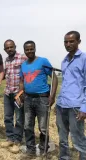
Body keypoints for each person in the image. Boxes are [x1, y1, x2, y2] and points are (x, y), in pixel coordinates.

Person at [19, 40, 58, 158]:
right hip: (28, 99)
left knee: (43, 128)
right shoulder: (23, 64)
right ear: (24, 50)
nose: (29, 51)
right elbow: (22, 80)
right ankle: (30, 151)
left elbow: (54, 77)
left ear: (35, 49)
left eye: (31, 49)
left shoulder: (43, 61)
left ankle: (43, 151)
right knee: (27, 126)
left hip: (42, 99)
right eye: (27, 49)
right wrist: (21, 92)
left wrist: (52, 95)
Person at [56, 31, 86, 160]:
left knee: (77, 137)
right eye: (66, 42)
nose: (68, 44)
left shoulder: (84, 59)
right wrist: (58, 103)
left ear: (78, 42)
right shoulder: (64, 60)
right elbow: (66, 83)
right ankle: (64, 157)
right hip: (62, 105)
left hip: (76, 106)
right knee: (62, 136)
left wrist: (84, 108)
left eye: (71, 41)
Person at [1, 39, 27, 153]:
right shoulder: (6, 60)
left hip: (18, 94)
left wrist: (23, 92)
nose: (9, 49)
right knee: (8, 117)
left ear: (15, 46)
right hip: (8, 93)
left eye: (11, 47)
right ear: (5, 49)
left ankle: (17, 140)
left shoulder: (23, 58)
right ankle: (10, 138)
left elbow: (28, 74)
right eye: (7, 48)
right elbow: (6, 75)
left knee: (19, 118)